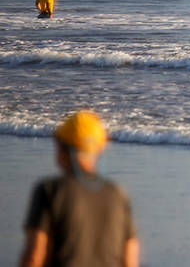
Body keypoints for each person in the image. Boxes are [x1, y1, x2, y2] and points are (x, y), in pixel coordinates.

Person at [21, 111, 139, 267]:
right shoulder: (117, 194)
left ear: (63, 148)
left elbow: (34, 257)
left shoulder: (51, 190)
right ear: (99, 148)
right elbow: (130, 259)